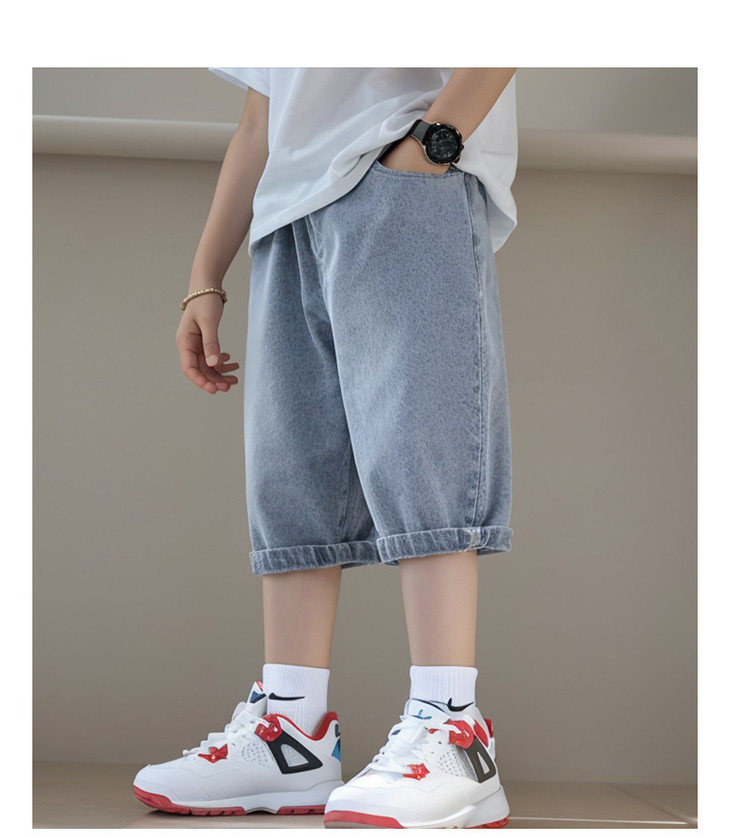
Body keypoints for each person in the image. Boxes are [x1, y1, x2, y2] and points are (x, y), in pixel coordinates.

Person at [132, 67, 518, 829]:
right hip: (287, 210)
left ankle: (454, 730)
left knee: (424, 454)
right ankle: (290, 732)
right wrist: (205, 277)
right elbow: (262, 114)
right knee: (292, 472)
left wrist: (427, 149)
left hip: (404, 179)